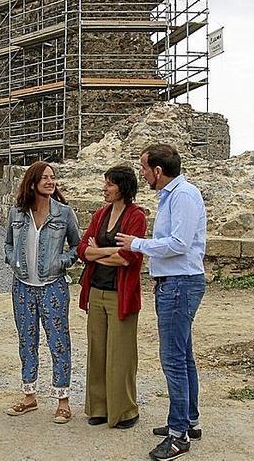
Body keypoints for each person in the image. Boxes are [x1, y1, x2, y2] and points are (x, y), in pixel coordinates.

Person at [115, 144, 207, 461]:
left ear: (157, 170)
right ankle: (188, 421)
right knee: (183, 356)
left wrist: (136, 244)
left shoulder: (181, 196)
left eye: (144, 168)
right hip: (178, 282)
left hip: (179, 283)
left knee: (173, 359)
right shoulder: (174, 195)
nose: (141, 174)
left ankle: (179, 435)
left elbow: (180, 244)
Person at [3, 161, 80, 424]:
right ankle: (29, 396)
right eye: (45, 177)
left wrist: (62, 262)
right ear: (32, 182)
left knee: (59, 342)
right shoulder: (17, 213)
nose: (51, 181)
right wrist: (12, 260)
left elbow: (77, 247)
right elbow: (8, 244)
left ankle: (63, 400)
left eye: (53, 177)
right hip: (22, 286)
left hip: (53, 287)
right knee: (27, 341)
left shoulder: (64, 213)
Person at [77, 164, 147, 429]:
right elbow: (83, 249)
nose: (104, 188)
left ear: (123, 187)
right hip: (96, 290)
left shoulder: (136, 216)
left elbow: (128, 258)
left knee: (121, 354)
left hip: (121, 294)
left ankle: (125, 410)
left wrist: (100, 252)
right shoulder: (100, 214)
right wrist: (108, 253)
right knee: (97, 351)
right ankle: (99, 408)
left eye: (109, 184)